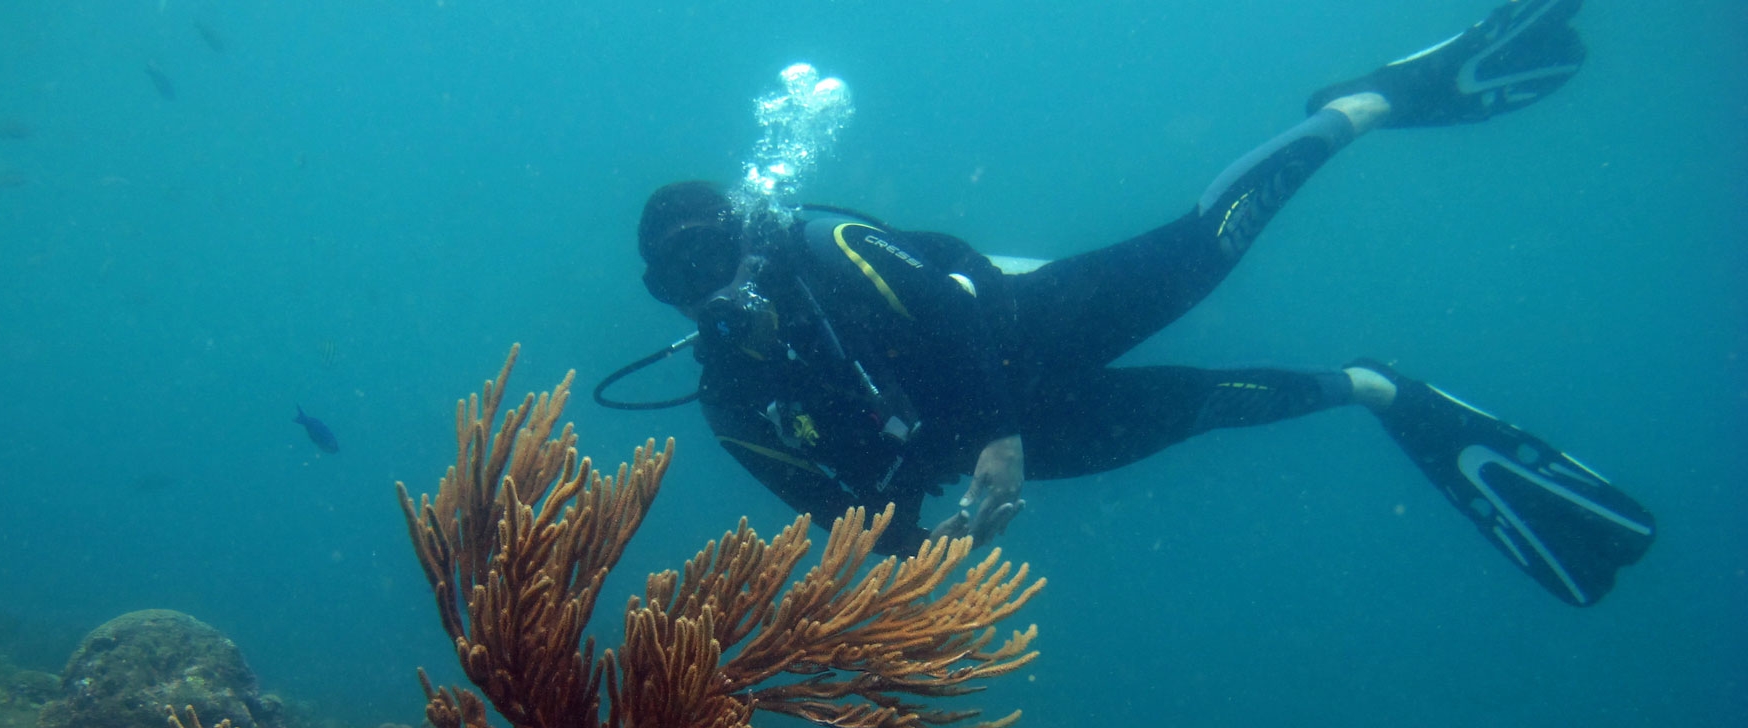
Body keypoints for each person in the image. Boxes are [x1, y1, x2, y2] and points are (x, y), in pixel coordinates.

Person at [620, 0, 1654, 606]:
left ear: (745, 226)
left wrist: (993, 437)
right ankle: (1377, 390)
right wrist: (915, 570)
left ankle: (1360, 107)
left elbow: (949, 311)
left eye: (709, 251)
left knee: (1208, 246)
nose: (704, 284)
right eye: (676, 279)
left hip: (1034, 326)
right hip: (1019, 437)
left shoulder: (820, 243)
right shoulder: (726, 400)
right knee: (1200, 404)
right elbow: (844, 519)